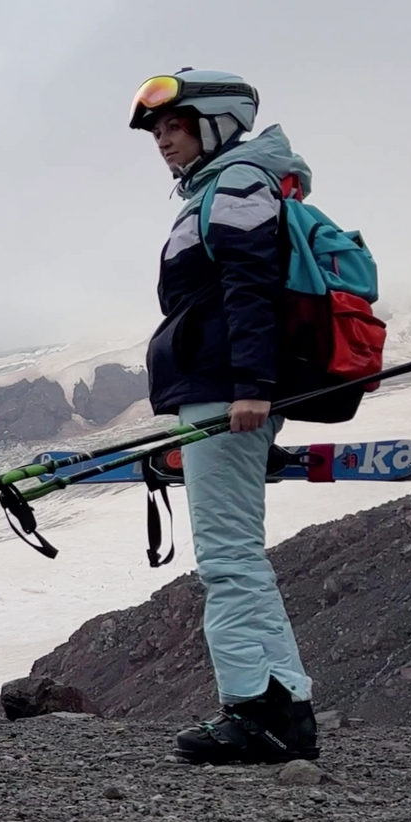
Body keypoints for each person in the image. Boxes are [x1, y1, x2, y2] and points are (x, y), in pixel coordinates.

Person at [128, 68, 318, 764]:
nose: (162, 142)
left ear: (215, 121)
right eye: (157, 133)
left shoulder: (237, 183)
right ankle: (281, 711)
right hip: (216, 388)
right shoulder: (220, 187)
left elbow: (249, 287)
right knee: (236, 555)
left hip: (227, 391)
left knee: (229, 558)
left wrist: (251, 387)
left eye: (171, 127)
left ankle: (255, 714)